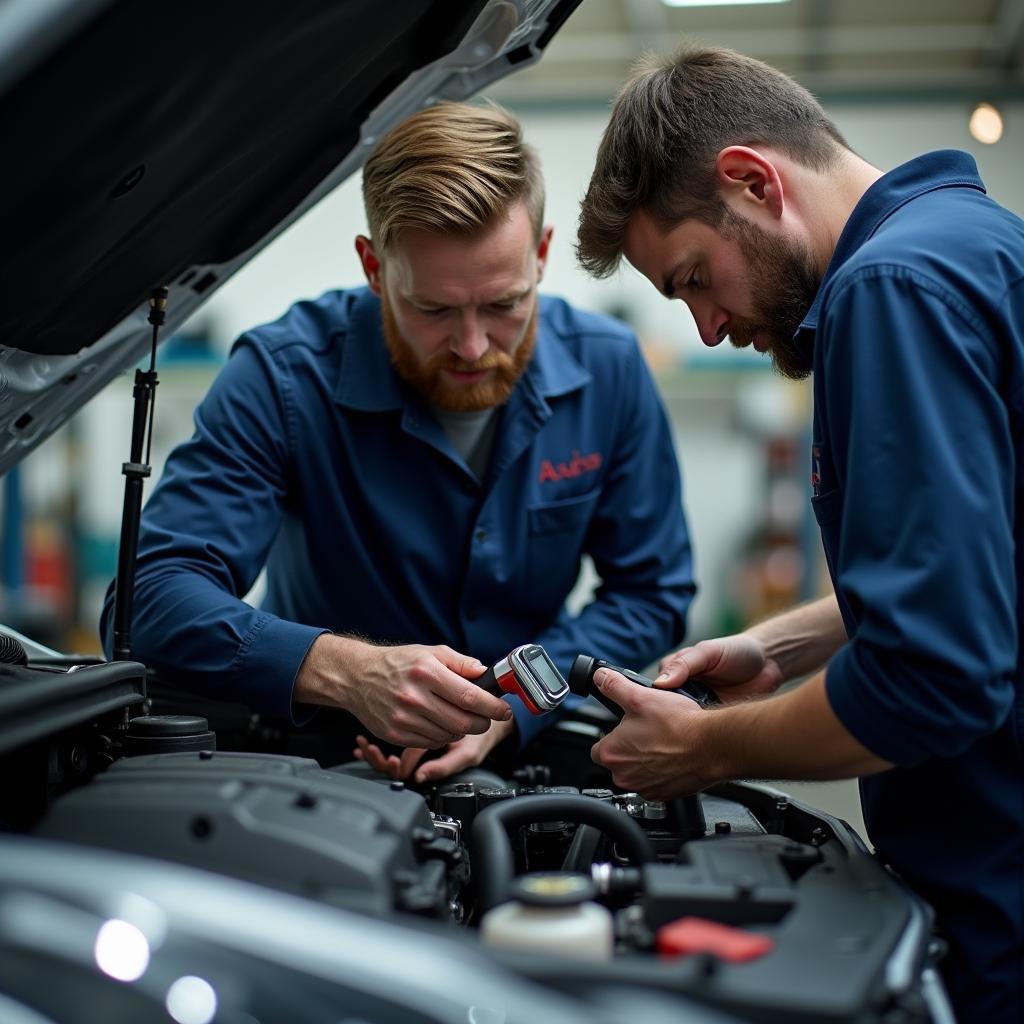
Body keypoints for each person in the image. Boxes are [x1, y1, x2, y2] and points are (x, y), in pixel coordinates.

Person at [576, 46, 1023, 1024]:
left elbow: (930, 677)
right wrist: (772, 643)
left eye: (694, 276)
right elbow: (984, 566)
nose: (703, 326)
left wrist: (703, 750)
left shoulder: (890, 290)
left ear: (751, 180)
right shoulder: (972, 242)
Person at [100, 100, 695, 784]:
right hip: (318, 763)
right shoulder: (283, 376)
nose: (472, 346)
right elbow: (150, 597)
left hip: (525, 754)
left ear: (539, 253)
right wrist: (345, 670)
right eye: (433, 309)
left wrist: (515, 705)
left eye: (503, 304)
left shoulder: (610, 370)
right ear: (374, 268)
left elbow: (652, 591)